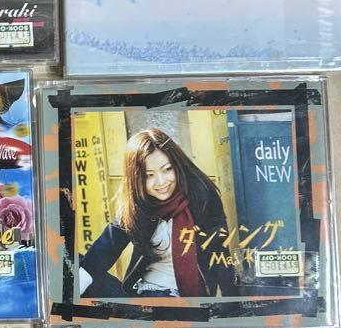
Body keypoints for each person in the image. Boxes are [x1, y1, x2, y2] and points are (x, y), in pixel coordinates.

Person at [79, 126, 239, 298]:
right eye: (149, 175)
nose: (161, 182)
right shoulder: (139, 204)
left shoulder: (201, 196)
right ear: (137, 179)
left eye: (167, 169)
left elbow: (220, 255)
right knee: (71, 263)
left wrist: (231, 304)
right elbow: (107, 247)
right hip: (142, 294)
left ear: (177, 166)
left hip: (178, 299)